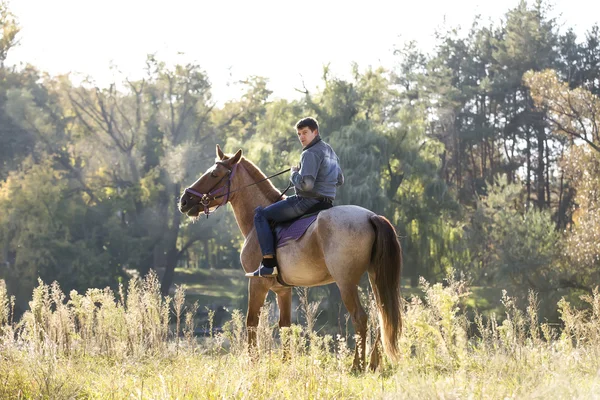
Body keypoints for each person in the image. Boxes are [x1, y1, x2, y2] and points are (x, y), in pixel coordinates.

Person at [245, 117, 344, 277]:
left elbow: (306, 185)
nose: (301, 137)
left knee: (261, 215)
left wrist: (294, 174)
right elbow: (340, 180)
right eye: (299, 134)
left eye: (305, 132)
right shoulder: (329, 151)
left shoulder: (310, 153)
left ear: (315, 132)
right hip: (327, 203)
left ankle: (269, 264)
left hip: (306, 202)